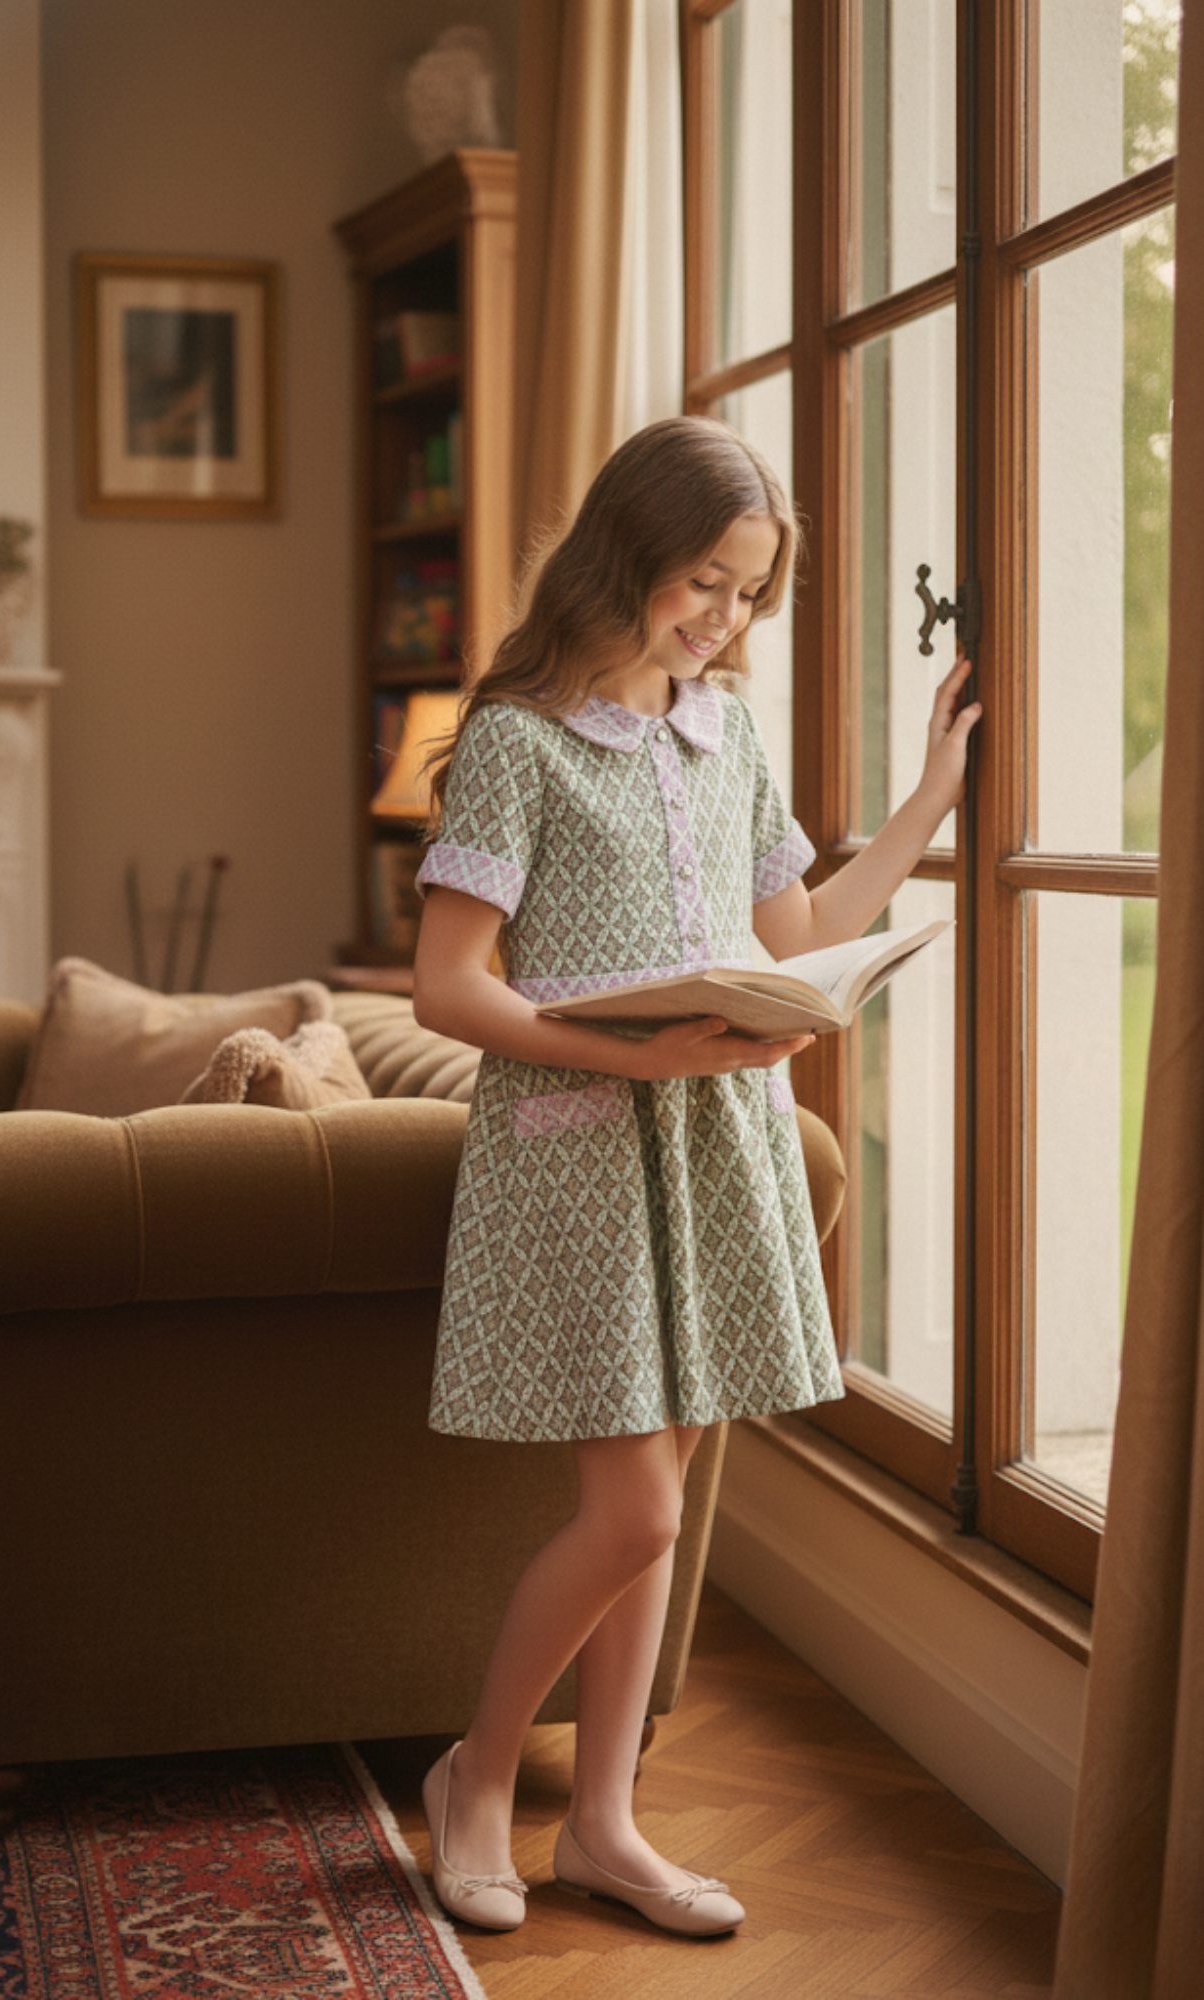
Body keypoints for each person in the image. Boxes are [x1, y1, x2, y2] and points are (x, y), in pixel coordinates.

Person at [412, 414, 980, 1937]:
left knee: (658, 1495)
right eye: (702, 583)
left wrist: (927, 804)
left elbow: (787, 944)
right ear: (627, 551)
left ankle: (602, 1825)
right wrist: (628, 1060)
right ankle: (474, 1776)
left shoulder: (727, 732)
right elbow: (446, 990)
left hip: (711, 1144)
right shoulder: (518, 741)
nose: (722, 619)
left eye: (746, 594)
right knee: (641, 1520)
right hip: (578, 1151)